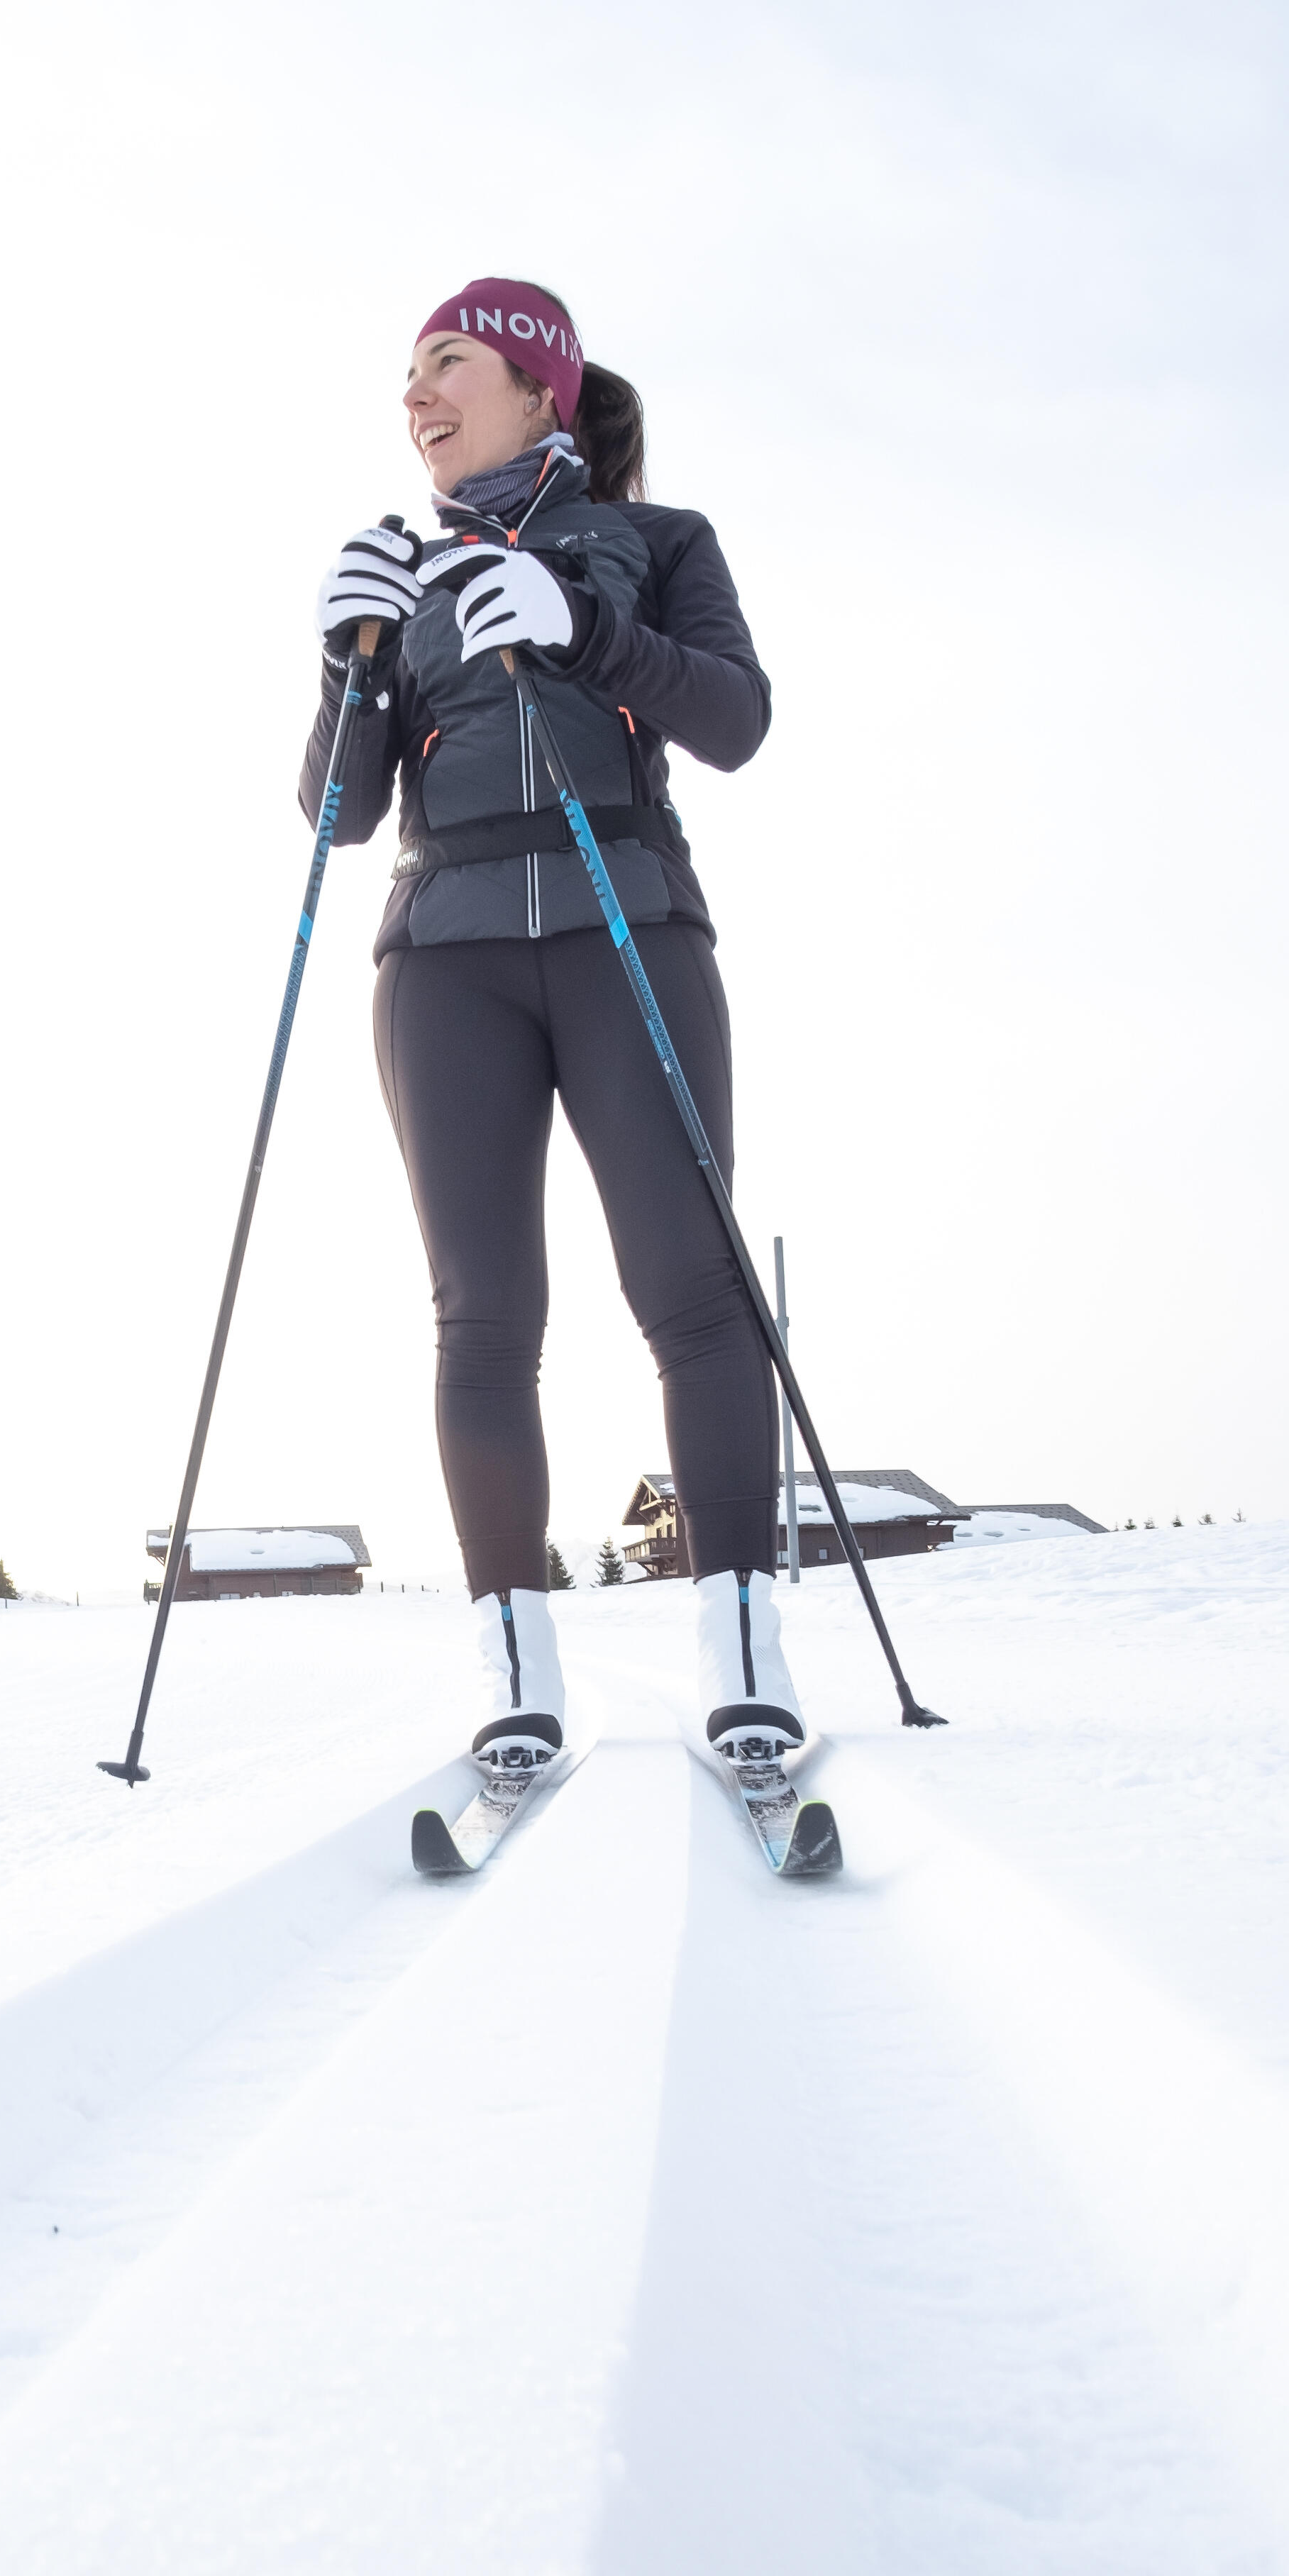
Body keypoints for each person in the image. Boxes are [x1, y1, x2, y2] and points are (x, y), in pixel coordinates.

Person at [305, 277, 805, 1808]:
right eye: (403, 373)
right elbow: (336, 814)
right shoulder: (405, 564)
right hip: (443, 954)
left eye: (444, 361)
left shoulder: (657, 546)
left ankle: (744, 1658)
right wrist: (351, 661)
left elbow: (733, 719)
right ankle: (514, 1671)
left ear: (535, 383)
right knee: (483, 1314)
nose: (414, 393)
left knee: (692, 1290)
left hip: (624, 920)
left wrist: (588, 628)